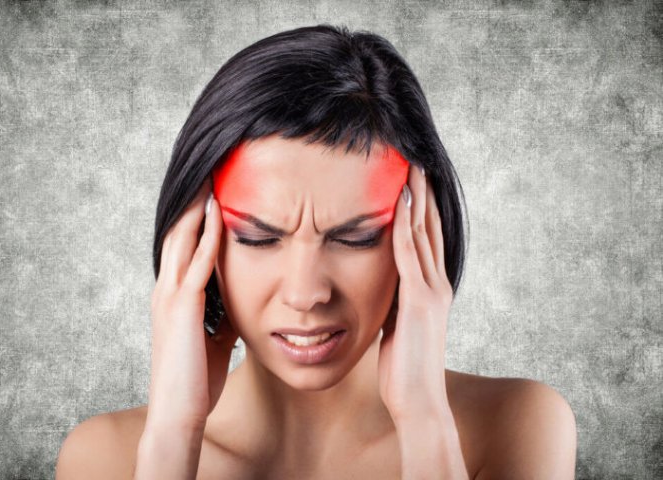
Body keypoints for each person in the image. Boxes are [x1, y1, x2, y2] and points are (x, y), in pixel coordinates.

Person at [56, 24, 577, 479]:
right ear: (194, 245)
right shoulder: (105, 457)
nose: (306, 294)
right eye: (258, 238)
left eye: (356, 238)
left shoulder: (517, 424)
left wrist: (425, 421)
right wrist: (173, 434)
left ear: (423, 232)